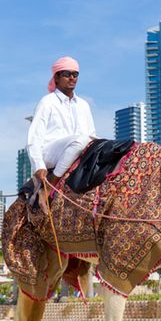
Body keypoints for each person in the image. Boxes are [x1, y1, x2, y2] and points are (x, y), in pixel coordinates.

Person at [27, 56, 97, 210]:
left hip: (78, 151)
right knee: (79, 141)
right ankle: (48, 188)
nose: (72, 78)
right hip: (51, 153)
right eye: (67, 74)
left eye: (75, 74)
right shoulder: (47, 102)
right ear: (56, 77)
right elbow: (34, 138)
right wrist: (39, 165)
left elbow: (91, 135)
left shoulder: (84, 105)